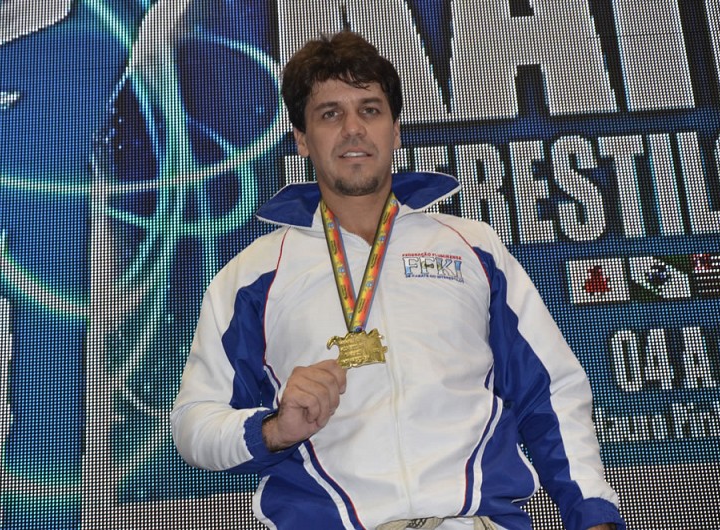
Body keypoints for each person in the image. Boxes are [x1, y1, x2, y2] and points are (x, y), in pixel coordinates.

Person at [171, 30, 625, 530]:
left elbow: (550, 393)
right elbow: (194, 424)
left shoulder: (471, 247)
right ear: (301, 139)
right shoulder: (253, 276)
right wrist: (274, 429)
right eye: (330, 114)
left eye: (370, 110)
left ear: (395, 130)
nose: (353, 129)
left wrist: (592, 516)